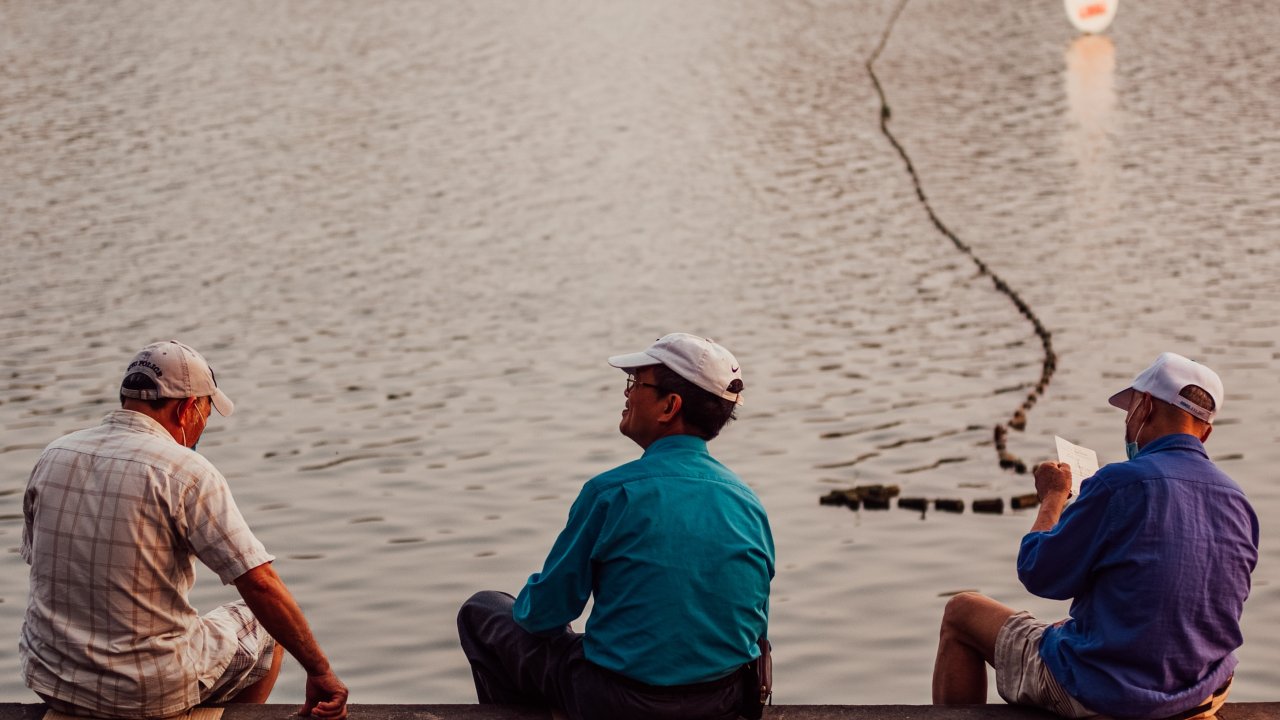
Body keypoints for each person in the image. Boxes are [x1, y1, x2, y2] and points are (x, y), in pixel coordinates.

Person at [20, 340, 348, 719]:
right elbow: (260, 583)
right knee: (263, 626)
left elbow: (41, 564)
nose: (202, 427)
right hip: (146, 692)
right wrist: (320, 671)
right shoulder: (186, 472)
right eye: (206, 413)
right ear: (187, 408)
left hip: (53, 680)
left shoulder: (53, 455)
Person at [458, 333, 775, 720]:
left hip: (616, 701)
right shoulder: (747, 503)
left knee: (482, 611)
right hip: (720, 701)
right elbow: (750, 624)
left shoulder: (612, 492)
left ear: (669, 406)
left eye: (636, 383)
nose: (627, 395)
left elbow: (542, 616)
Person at [932, 352, 1259, 719]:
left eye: (1130, 409)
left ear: (1145, 407)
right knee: (1068, 627)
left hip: (1109, 694)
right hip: (1199, 691)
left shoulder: (1118, 482)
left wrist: (1053, 498)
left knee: (961, 612)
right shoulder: (1238, 500)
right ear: (1206, 432)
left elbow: (1039, 573)